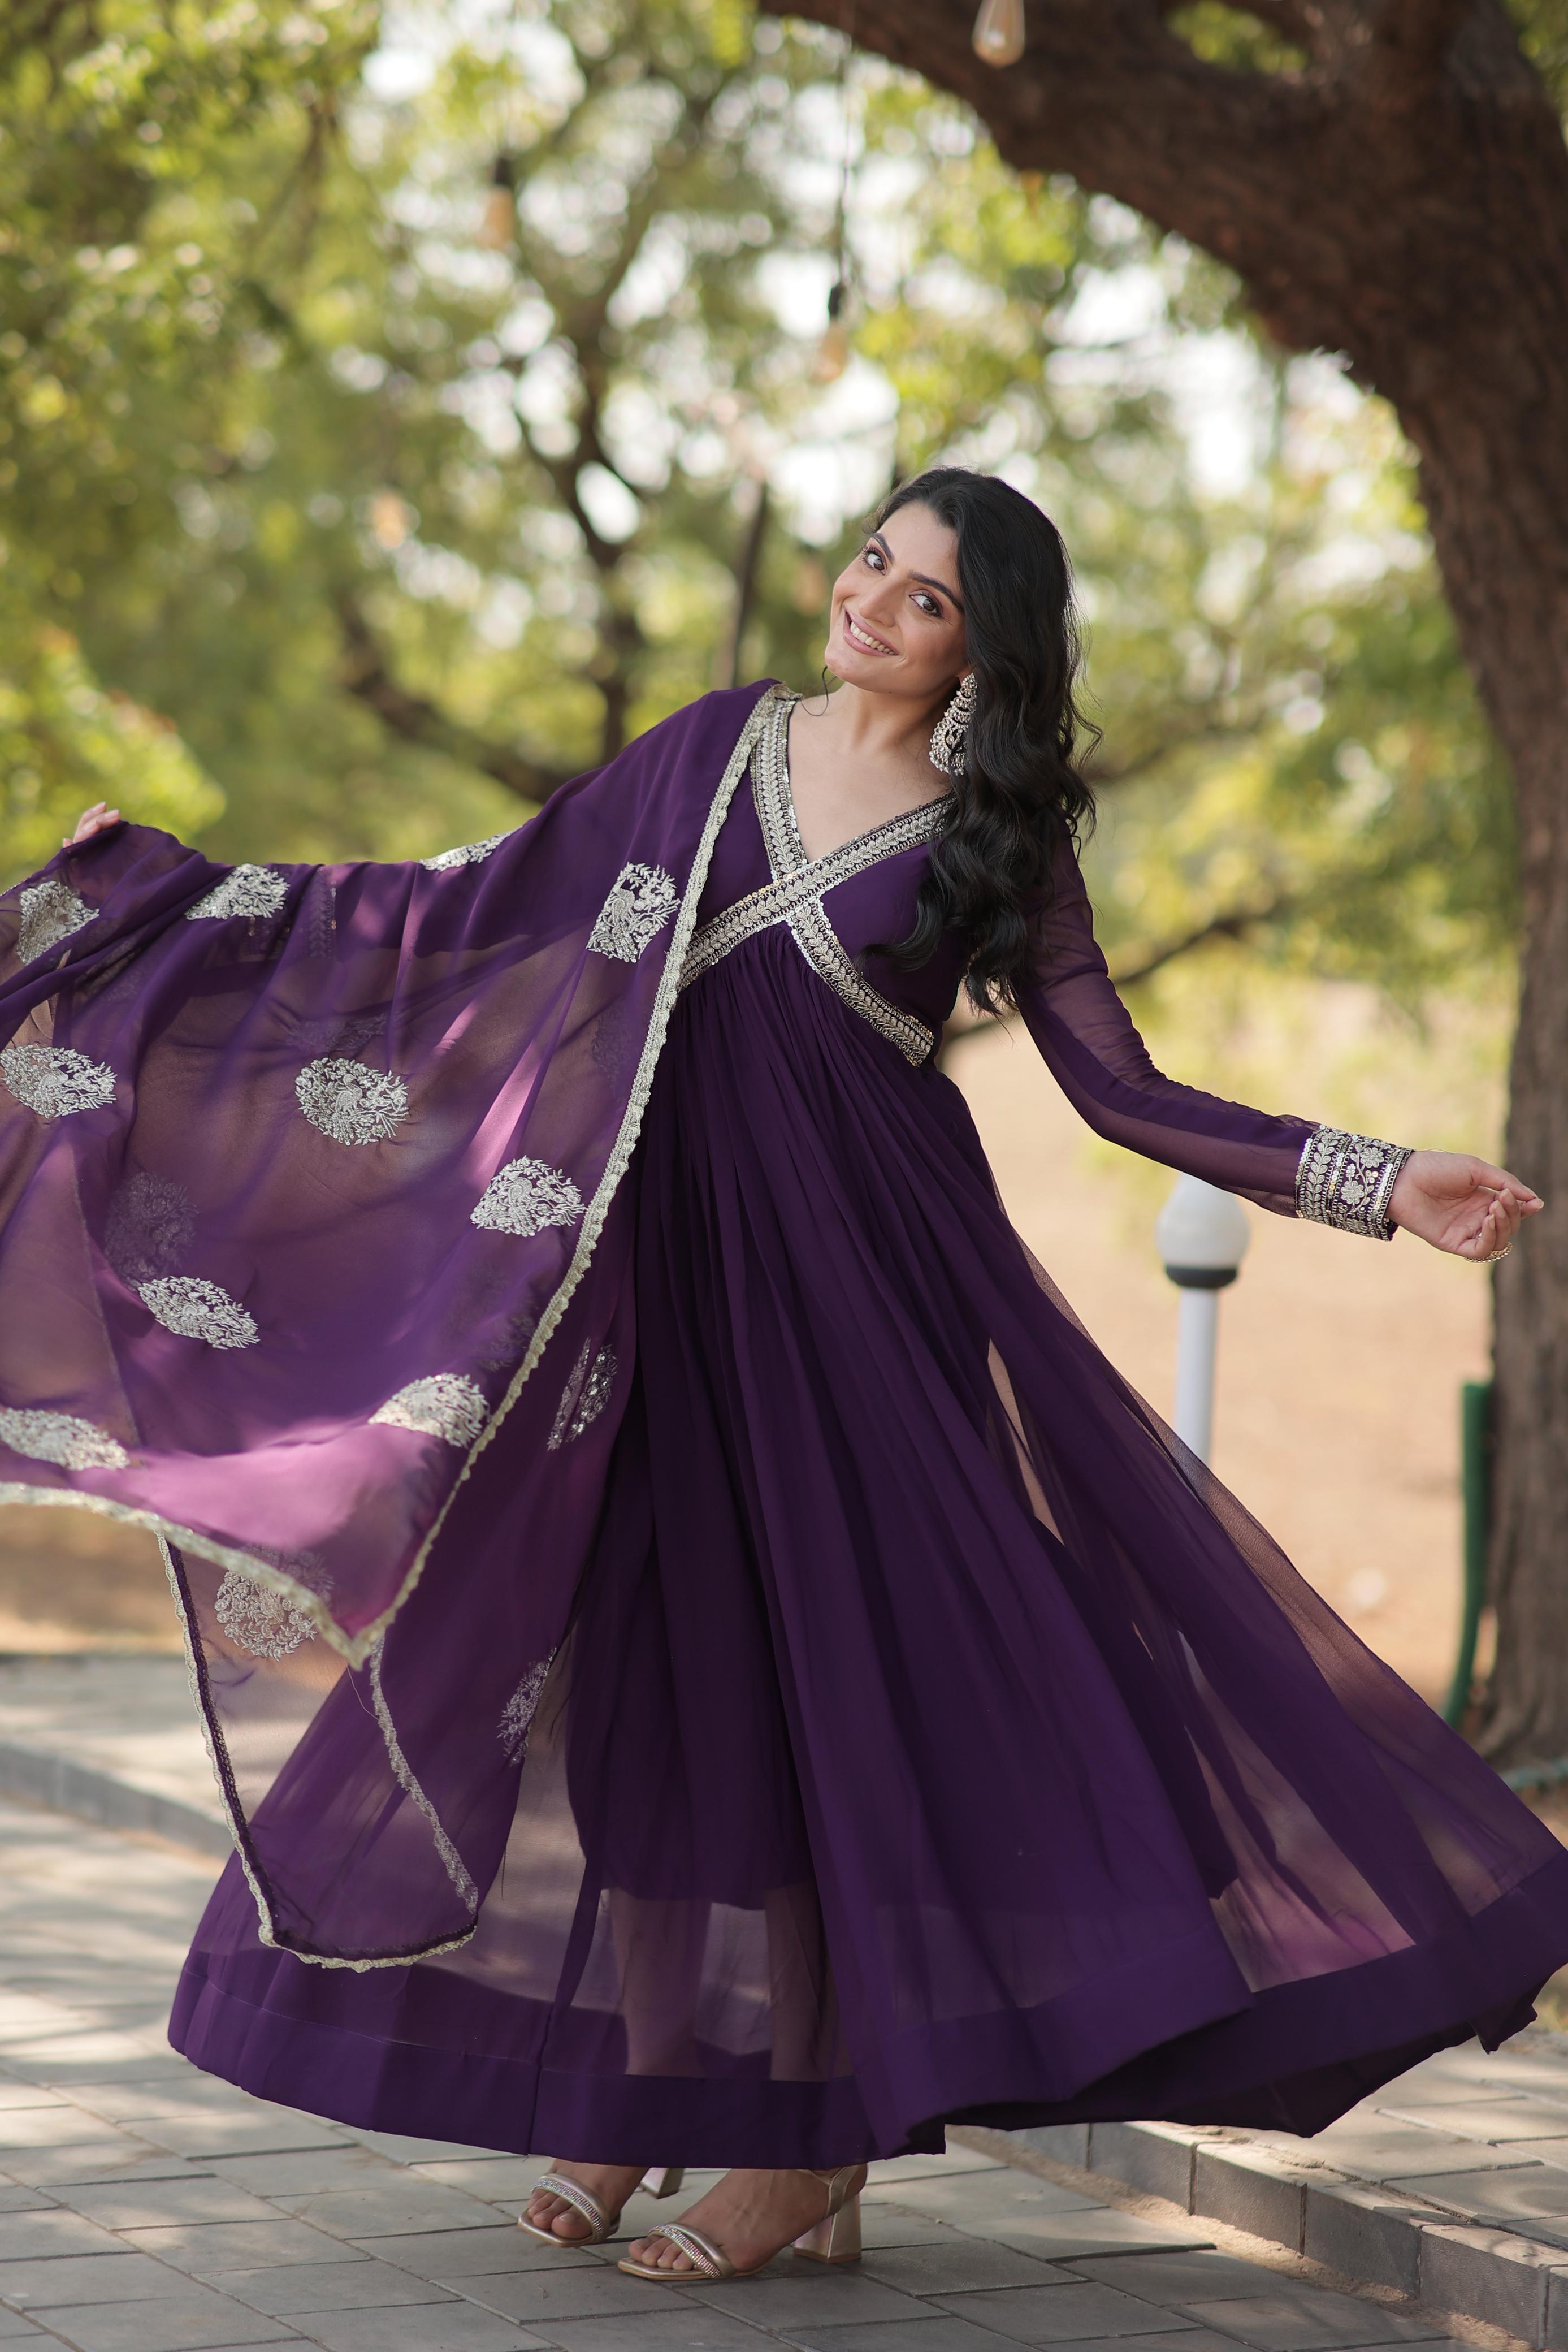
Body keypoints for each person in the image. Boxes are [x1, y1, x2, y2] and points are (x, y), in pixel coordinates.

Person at [2, 468, 1561, 2291]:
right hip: (659, 1282)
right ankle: (658, 2082)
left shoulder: (997, 837)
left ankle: (807, 2145)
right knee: (643, 1672)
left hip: (862, 1296)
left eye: (926, 598)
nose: (872, 603)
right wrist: (176, 900)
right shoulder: (714, 748)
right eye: (873, 561)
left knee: (825, 1683)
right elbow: (468, 906)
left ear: (985, 651)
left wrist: (1377, 1178)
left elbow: (1122, 1090)